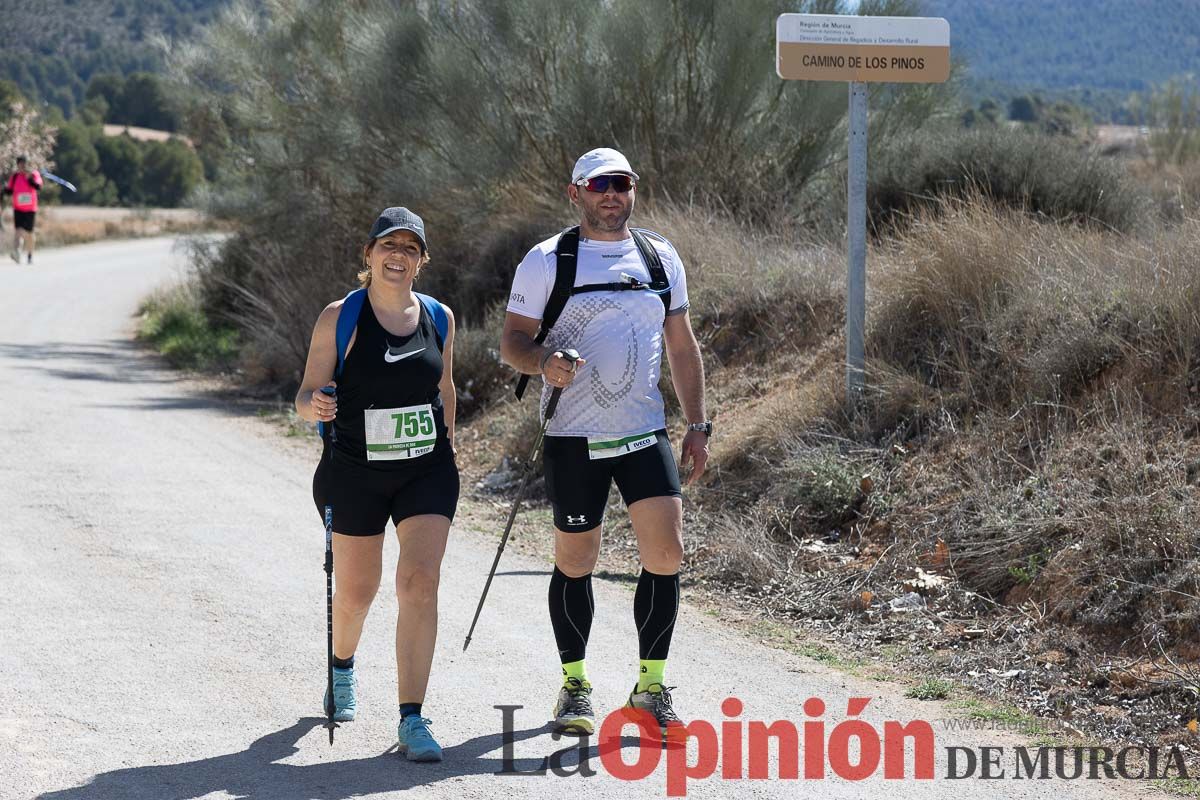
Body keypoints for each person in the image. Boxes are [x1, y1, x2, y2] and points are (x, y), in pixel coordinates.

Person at [500, 147, 711, 739]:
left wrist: (697, 425)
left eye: (621, 183)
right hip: (571, 435)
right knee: (576, 560)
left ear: (633, 190)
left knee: (666, 554)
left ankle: (649, 689)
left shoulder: (659, 257)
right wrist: (544, 360)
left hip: (644, 431)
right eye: (598, 185)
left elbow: (682, 346)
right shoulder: (547, 261)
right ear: (576, 194)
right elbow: (511, 343)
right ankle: (574, 685)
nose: (610, 194)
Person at [295, 207, 459, 762]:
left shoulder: (439, 315)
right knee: (358, 592)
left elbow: (447, 389)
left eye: (410, 247)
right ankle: (341, 665)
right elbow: (304, 397)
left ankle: (412, 718)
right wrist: (314, 403)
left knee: (418, 583)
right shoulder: (339, 318)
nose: (399, 255)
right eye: (389, 244)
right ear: (368, 255)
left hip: (426, 471)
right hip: (354, 473)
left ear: (421, 260)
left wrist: (450, 449)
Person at [5, 156, 42, 264]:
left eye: (24, 164)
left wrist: (29, 178)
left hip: (30, 209)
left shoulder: (34, 174)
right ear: (18, 165)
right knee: (18, 231)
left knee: (29, 233)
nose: (22, 166)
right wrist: (3, 190)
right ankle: (16, 252)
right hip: (18, 208)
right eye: (20, 164)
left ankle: (30, 255)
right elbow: (9, 190)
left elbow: (38, 187)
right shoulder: (15, 176)